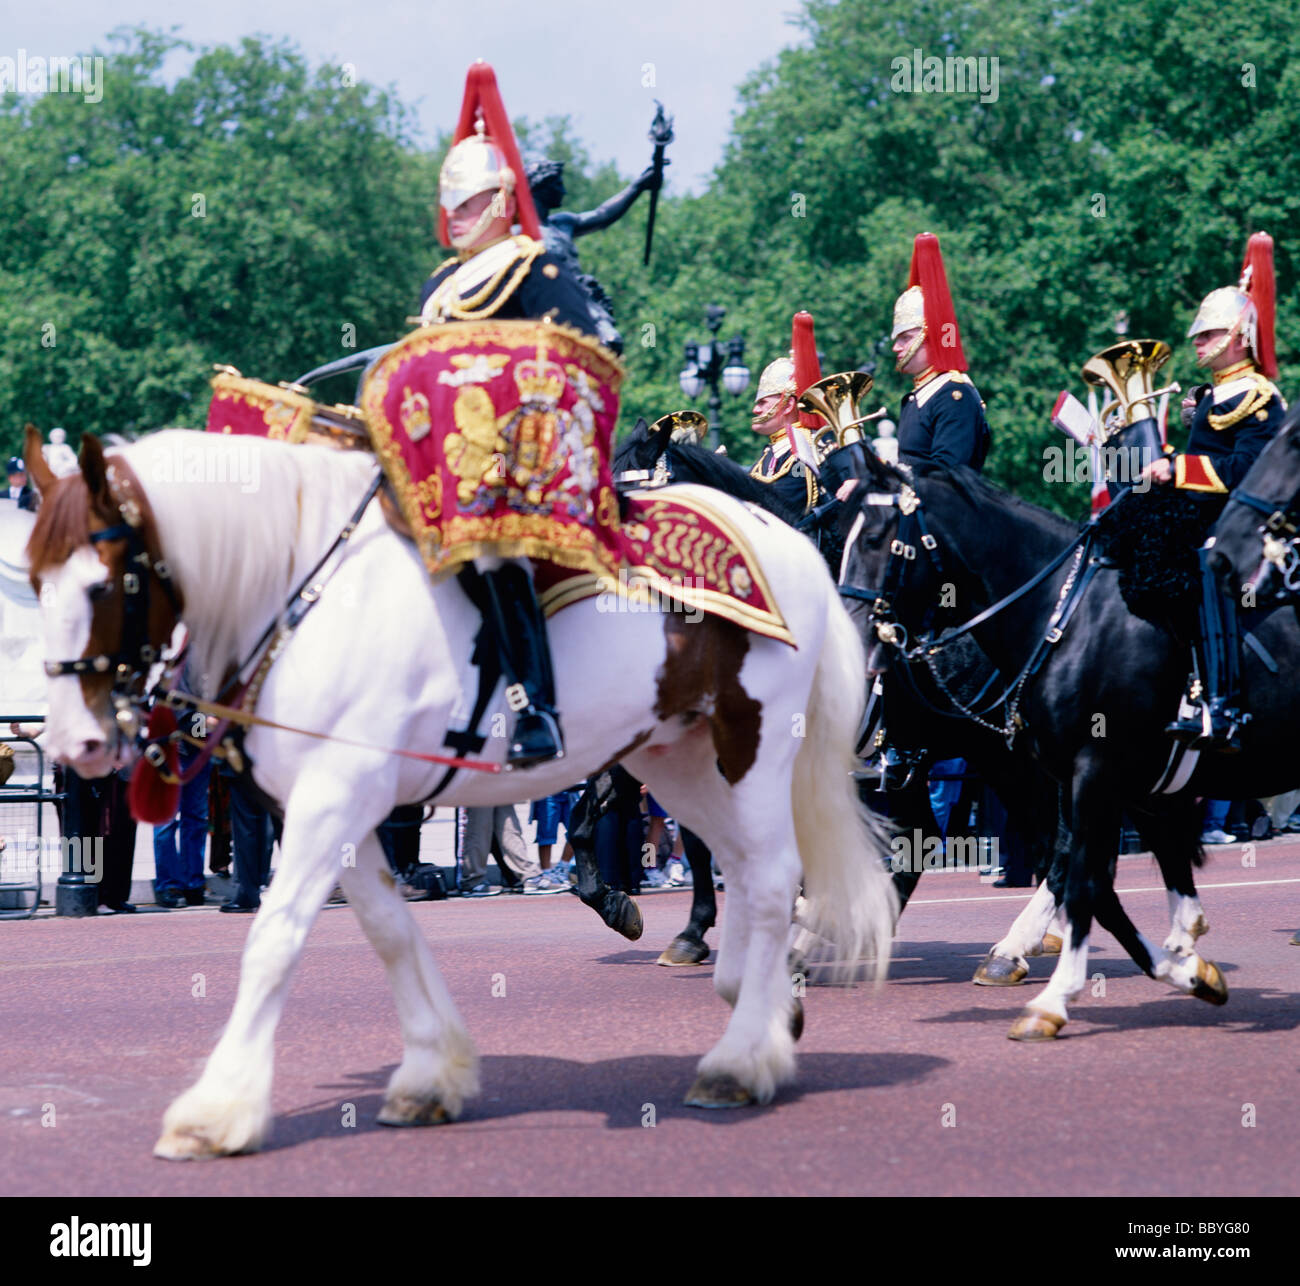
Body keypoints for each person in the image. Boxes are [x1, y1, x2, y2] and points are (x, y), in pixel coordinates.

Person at [414, 63, 611, 768]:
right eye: (449, 206)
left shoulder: (533, 268)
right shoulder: (441, 283)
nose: (454, 218)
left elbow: (583, 356)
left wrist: (519, 425)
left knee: (491, 545)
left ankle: (538, 709)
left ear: (501, 198)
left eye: (467, 205)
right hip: (446, 463)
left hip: (521, 462)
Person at [1144, 233, 1285, 752]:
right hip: (1197, 515)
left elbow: (1249, 469)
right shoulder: (1212, 394)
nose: (1197, 343)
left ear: (1238, 336)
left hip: (1239, 526)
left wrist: (1177, 468)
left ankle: (1222, 701)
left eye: (1208, 335)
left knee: (1207, 567)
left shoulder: (1259, 397)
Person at [527, 158, 663, 353]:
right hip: (548, 302)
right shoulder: (519, 233)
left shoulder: (563, 223)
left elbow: (603, 215)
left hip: (582, 299)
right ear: (540, 186)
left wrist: (639, 186)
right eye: (558, 184)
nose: (563, 191)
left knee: (611, 342)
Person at [889, 232, 991, 473]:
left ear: (931, 336)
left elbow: (947, 474)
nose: (896, 347)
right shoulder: (918, 396)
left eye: (905, 338)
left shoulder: (954, 395)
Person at [749, 311, 837, 515]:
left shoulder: (805, 447)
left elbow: (786, 501)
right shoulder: (773, 451)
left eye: (763, 402)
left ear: (788, 405)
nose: (756, 410)